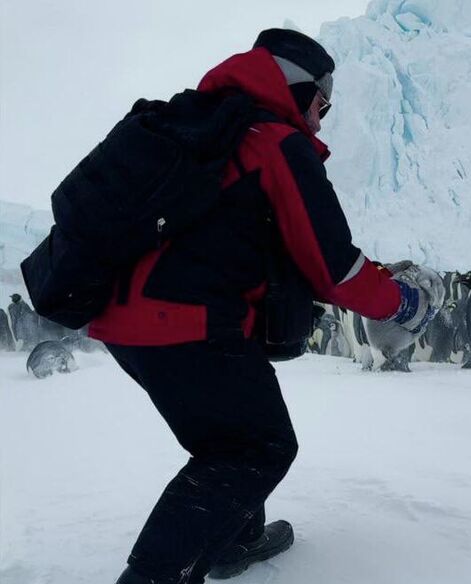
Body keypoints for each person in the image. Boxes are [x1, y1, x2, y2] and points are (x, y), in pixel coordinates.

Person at [88, 29, 438, 584]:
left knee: (223, 436)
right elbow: (332, 264)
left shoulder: (205, 130)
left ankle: (238, 538)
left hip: (124, 320)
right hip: (184, 324)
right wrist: (404, 304)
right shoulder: (273, 141)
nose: (321, 121)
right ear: (298, 88)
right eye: (322, 104)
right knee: (255, 448)